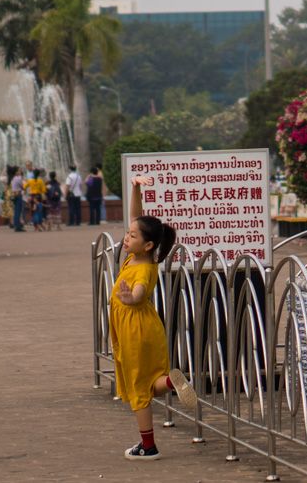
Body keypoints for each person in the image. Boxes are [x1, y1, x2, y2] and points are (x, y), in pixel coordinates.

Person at [110, 174, 197, 459]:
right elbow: (137, 216)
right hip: (144, 329)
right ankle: (173, 382)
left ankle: (148, 446)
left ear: (148, 245)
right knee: (150, 382)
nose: (127, 237)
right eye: (128, 233)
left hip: (137, 331)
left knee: (138, 389)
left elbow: (138, 293)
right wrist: (135, 188)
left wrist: (128, 298)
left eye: (132, 236)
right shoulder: (139, 254)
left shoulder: (145, 267)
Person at [8, 166, 26, 232]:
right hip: (18, 195)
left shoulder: (13, 178)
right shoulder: (18, 178)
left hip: (14, 195)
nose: (20, 172)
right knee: (18, 211)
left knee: (16, 211)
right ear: (16, 172)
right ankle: (17, 226)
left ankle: (16, 225)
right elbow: (23, 186)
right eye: (18, 170)